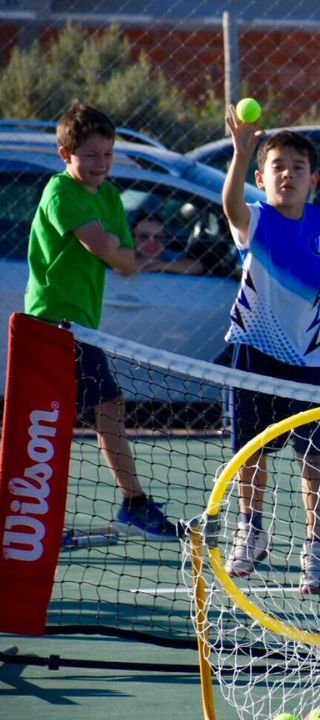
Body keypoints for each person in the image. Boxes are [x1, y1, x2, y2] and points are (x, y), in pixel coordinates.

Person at [221, 112, 320, 594]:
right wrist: (241, 151)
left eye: (297, 166)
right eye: (277, 166)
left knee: (314, 458)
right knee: (250, 452)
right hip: (254, 351)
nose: (287, 173)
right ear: (261, 177)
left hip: (312, 362)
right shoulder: (257, 218)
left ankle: (315, 546)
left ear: (314, 180)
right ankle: (251, 529)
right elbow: (229, 205)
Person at [25, 101, 177, 541]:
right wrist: (109, 244)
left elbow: (127, 261)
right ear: (65, 155)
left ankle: (132, 505)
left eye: (107, 154)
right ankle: (40, 515)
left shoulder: (109, 196)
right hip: (50, 326)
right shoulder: (59, 193)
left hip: (81, 328)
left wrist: (111, 245)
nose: (100, 164)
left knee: (107, 409)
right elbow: (102, 247)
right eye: (91, 155)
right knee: (47, 422)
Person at [131, 212, 204, 275]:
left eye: (158, 237)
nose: (152, 242)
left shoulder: (167, 254)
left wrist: (159, 265)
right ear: (133, 238)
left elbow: (197, 266)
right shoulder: (125, 252)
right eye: (144, 237)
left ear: (165, 240)